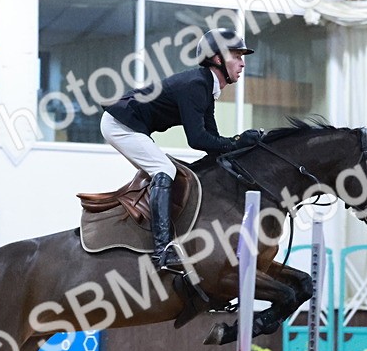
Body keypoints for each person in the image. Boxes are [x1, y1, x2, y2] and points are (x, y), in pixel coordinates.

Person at [102, 27, 264, 274]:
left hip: (129, 124)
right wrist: (238, 141)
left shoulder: (206, 87)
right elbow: (197, 140)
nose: (243, 64)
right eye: (237, 56)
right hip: (119, 125)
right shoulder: (196, 85)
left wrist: (241, 147)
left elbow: (213, 141)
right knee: (164, 169)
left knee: (166, 170)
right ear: (217, 59)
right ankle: (162, 251)